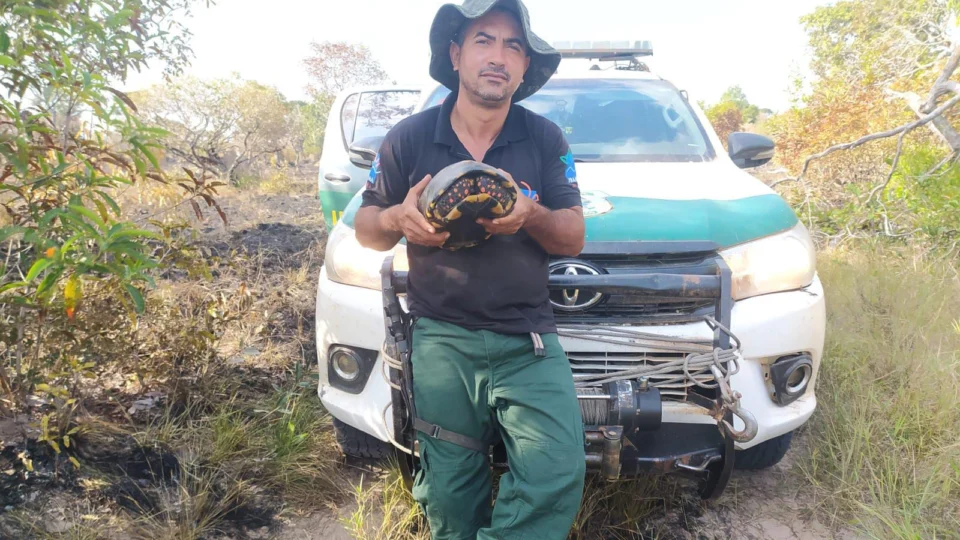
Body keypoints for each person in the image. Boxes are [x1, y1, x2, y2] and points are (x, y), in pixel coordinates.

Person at [354, 0, 586, 537]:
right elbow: (366, 229)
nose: (498, 56)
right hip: (442, 337)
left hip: (527, 336)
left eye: (513, 46)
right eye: (484, 40)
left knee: (556, 472)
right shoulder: (408, 138)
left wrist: (529, 215)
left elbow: (572, 236)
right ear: (456, 54)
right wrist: (397, 216)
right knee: (451, 492)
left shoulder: (545, 139)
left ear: (525, 67)